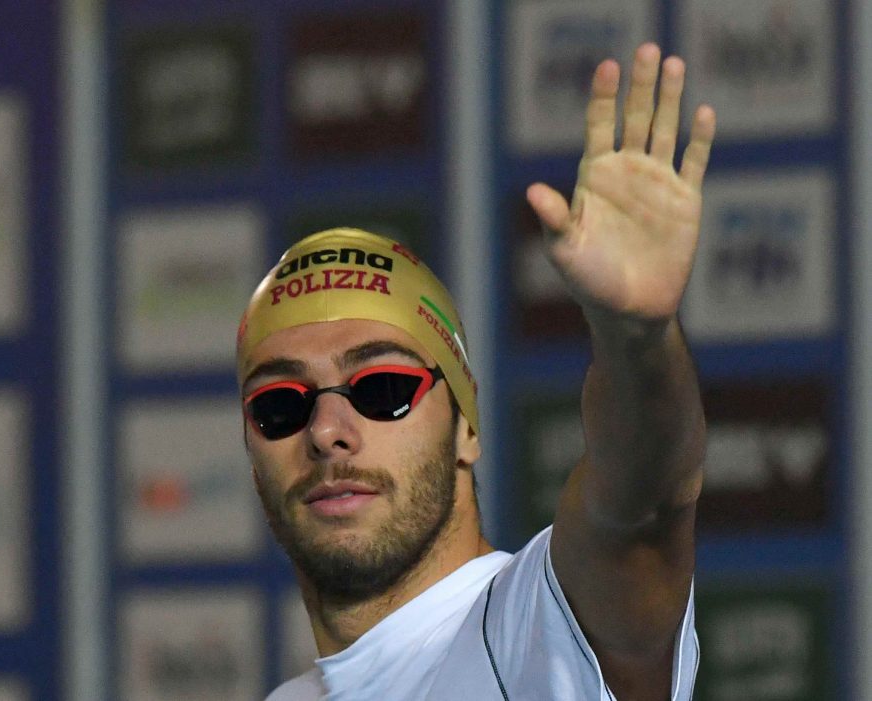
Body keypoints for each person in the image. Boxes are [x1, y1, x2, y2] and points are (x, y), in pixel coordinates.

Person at [237, 43, 715, 701]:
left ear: (467, 427)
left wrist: (636, 335)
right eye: (280, 404)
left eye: (382, 389)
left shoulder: (535, 631)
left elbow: (642, 509)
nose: (326, 430)